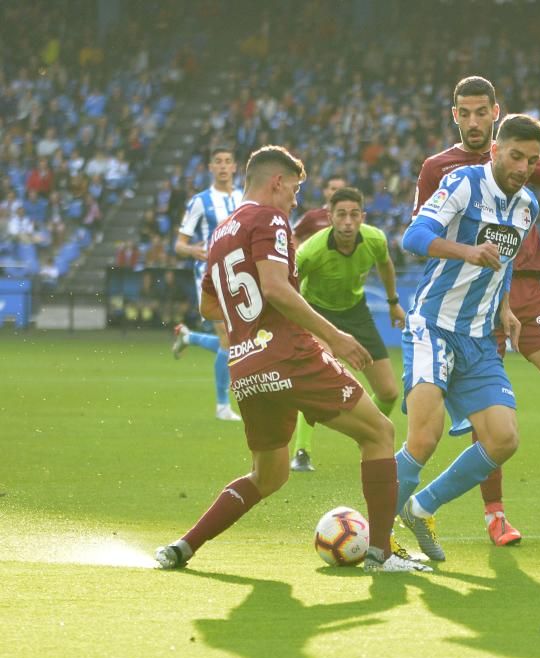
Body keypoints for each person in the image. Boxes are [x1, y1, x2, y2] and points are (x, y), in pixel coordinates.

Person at [154, 145, 429, 574]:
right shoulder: (270, 218)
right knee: (380, 432)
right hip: (288, 353)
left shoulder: (222, 230)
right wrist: (334, 336)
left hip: (245, 366)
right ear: (276, 181)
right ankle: (381, 555)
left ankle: (182, 547)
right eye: (295, 189)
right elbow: (277, 289)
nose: (296, 201)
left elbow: (209, 306)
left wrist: (246, 319)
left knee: (269, 476)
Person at [403, 76, 540, 551]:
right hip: (458, 302)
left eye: (482, 111)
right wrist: (466, 253)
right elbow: (421, 237)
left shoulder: (523, 172)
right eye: (465, 112)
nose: (474, 120)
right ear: (454, 115)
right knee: (459, 423)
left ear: (496, 114)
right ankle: (492, 514)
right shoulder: (444, 171)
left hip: (514, 290)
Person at [395, 113, 540, 561]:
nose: (522, 167)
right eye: (516, 156)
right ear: (496, 149)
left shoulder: (528, 205)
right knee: (424, 436)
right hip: (433, 326)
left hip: (479, 338)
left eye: (533, 160)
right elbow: (413, 236)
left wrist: (505, 307)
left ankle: (419, 508)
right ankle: (379, 541)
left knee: (503, 438)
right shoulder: (463, 182)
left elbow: (506, 259)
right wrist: (466, 250)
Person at [289, 186, 406, 473]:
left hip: (356, 312)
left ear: (363, 217)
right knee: (318, 378)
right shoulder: (311, 251)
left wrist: (393, 303)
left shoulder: (375, 239)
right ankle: (302, 451)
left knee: (389, 391)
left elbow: (386, 265)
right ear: (329, 217)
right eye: (341, 215)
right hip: (317, 313)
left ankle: (370, 436)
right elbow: (288, 285)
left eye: (354, 215)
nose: (348, 222)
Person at [171, 147, 244, 421]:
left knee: (236, 341)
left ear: (235, 167)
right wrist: (193, 251)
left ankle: (189, 337)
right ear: (210, 168)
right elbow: (179, 244)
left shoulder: (243, 198)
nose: (223, 166)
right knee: (229, 338)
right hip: (209, 273)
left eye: (228, 162)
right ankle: (222, 406)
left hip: (239, 274)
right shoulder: (200, 201)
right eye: (218, 162)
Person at [292, 174, 347, 246]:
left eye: (341, 190)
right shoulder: (313, 216)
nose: (337, 193)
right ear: (325, 191)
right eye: (333, 189)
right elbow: (294, 236)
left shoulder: (351, 217)